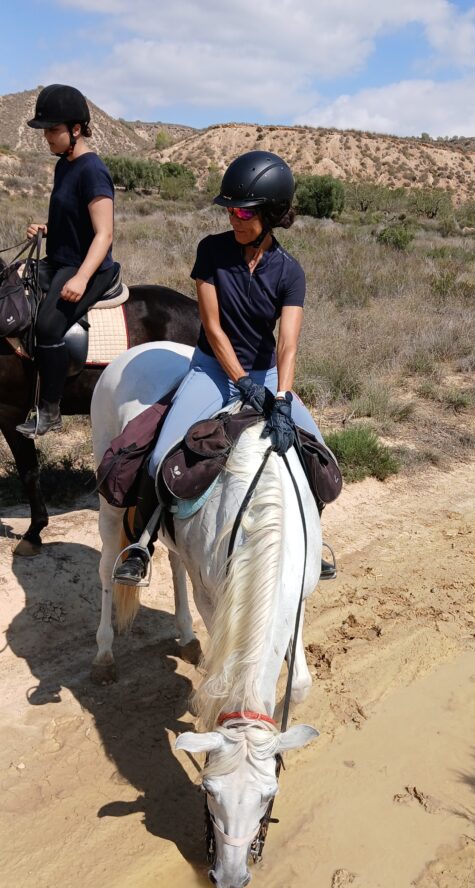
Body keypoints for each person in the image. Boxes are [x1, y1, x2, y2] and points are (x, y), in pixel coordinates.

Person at [114, 149, 334, 585]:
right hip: (212, 371)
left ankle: (312, 538)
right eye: (230, 210)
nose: (234, 218)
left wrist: (282, 397)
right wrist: (242, 383)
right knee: (160, 456)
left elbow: (288, 343)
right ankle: (140, 545)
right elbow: (213, 330)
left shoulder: (290, 272)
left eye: (243, 211)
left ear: (271, 214)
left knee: (319, 457)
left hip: (267, 375)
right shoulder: (211, 251)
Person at [17, 84, 117, 438]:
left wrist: (81, 278)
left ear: (76, 129)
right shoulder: (64, 165)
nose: (46, 136)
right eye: (44, 130)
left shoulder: (93, 171)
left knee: (47, 326)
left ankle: (50, 410)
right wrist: (46, 229)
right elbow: (73, 221)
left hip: (88, 267)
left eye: (52, 129)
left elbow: (103, 234)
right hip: (60, 259)